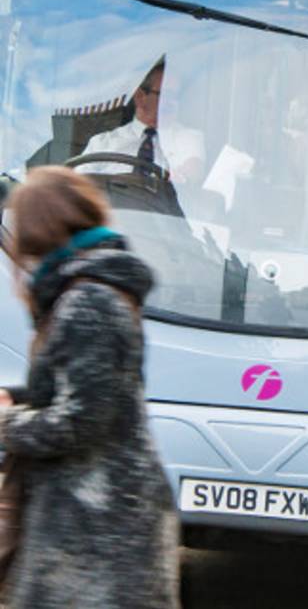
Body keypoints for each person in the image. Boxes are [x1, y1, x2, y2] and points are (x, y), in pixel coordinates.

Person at [0, 166, 180, 608]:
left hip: (96, 528)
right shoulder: (91, 288)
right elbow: (93, 391)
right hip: (99, 519)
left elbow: (82, 421)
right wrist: (21, 402)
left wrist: (6, 422)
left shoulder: (88, 300)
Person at [77, 60, 205, 183]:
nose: (172, 103)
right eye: (166, 95)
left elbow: (193, 169)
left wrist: (181, 176)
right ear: (140, 97)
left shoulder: (188, 137)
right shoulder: (102, 143)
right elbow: (76, 186)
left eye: (176, 97)